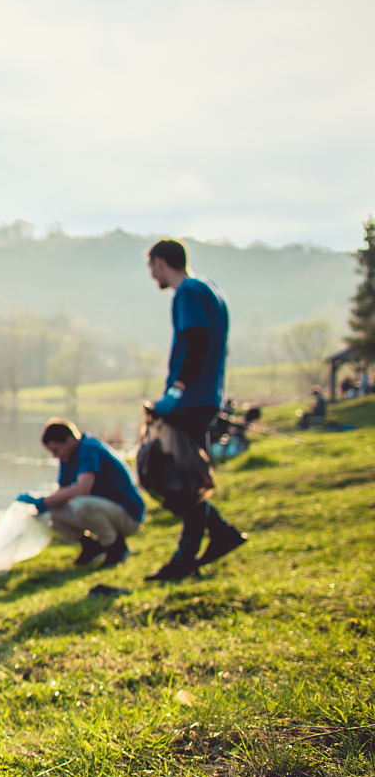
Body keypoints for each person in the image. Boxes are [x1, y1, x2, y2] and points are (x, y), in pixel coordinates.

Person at [145, 238, 246, 581]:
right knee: (188, 475)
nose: (151, 274)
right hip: (206, 395)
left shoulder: (187, 292)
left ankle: (185, 558)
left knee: (184, 477)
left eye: (151, 266)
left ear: (161, 262)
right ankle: (218, 534)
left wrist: (178, 388)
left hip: (191, 398)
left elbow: (198, 340)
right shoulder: (211, 290)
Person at [17, 419, 144, 570]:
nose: (55, 456)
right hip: (106, 510)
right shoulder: (67, 457)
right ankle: (91, 547)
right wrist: (42, 504)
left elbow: (82, 489)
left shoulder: (88, 448)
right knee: (51, 511)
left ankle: (116, 547)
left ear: (69, 440)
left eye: (56, 450)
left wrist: (44, 501)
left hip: (128, 515)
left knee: (81, 504)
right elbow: (62, 491)